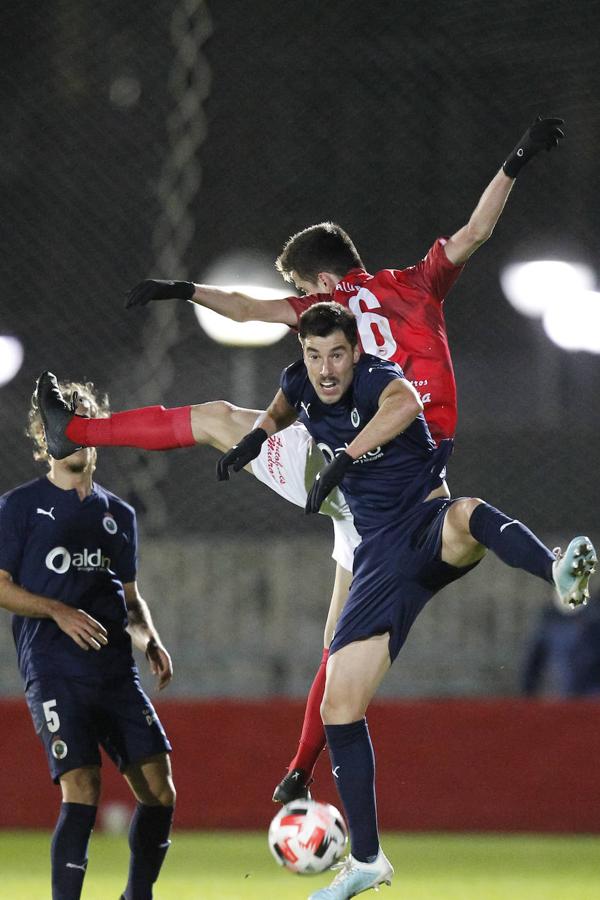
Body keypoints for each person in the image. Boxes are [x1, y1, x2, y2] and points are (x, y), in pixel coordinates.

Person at [122, 116, 566, 802]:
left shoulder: (322, 306)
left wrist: (183, 292)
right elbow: (475, 231)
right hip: (411, 461)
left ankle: (302, 772)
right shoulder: (419, 281)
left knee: (338, 626)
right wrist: (516, 159)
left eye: (305, 286)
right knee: (377, 597)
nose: (306, 300)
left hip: (368, 463)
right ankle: (301, 771)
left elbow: (242, 308)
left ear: (323, 279)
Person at [216, 302, 596, 899]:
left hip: (426, 521)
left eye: (336, 353)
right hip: (379, 561)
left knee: (467, 514)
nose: (325, 369)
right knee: (341, 702)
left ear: (355, 351)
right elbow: (283, 404)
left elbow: (407, 404)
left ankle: (556, 572)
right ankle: (367, 860)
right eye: (314, 356)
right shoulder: (300, 382)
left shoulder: (378, 380)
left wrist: (341, 457)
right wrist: (256, 439)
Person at [0, 381, 176, 900]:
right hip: (54, 671)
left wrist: (150, 639)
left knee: (159, 792)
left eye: (84, 421)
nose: (75, 432)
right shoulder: (19, 508)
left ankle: (135, 896)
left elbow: (130, 599)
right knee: (84, 787)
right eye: (65, 421)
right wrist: (57, 610)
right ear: (45, 436)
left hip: (115, 674)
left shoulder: (118, 515)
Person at [521, 589, 600, 697]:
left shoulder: (594, 621)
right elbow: (533, 663)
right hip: (561, 694)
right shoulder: (548, 623)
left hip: (588, 695)